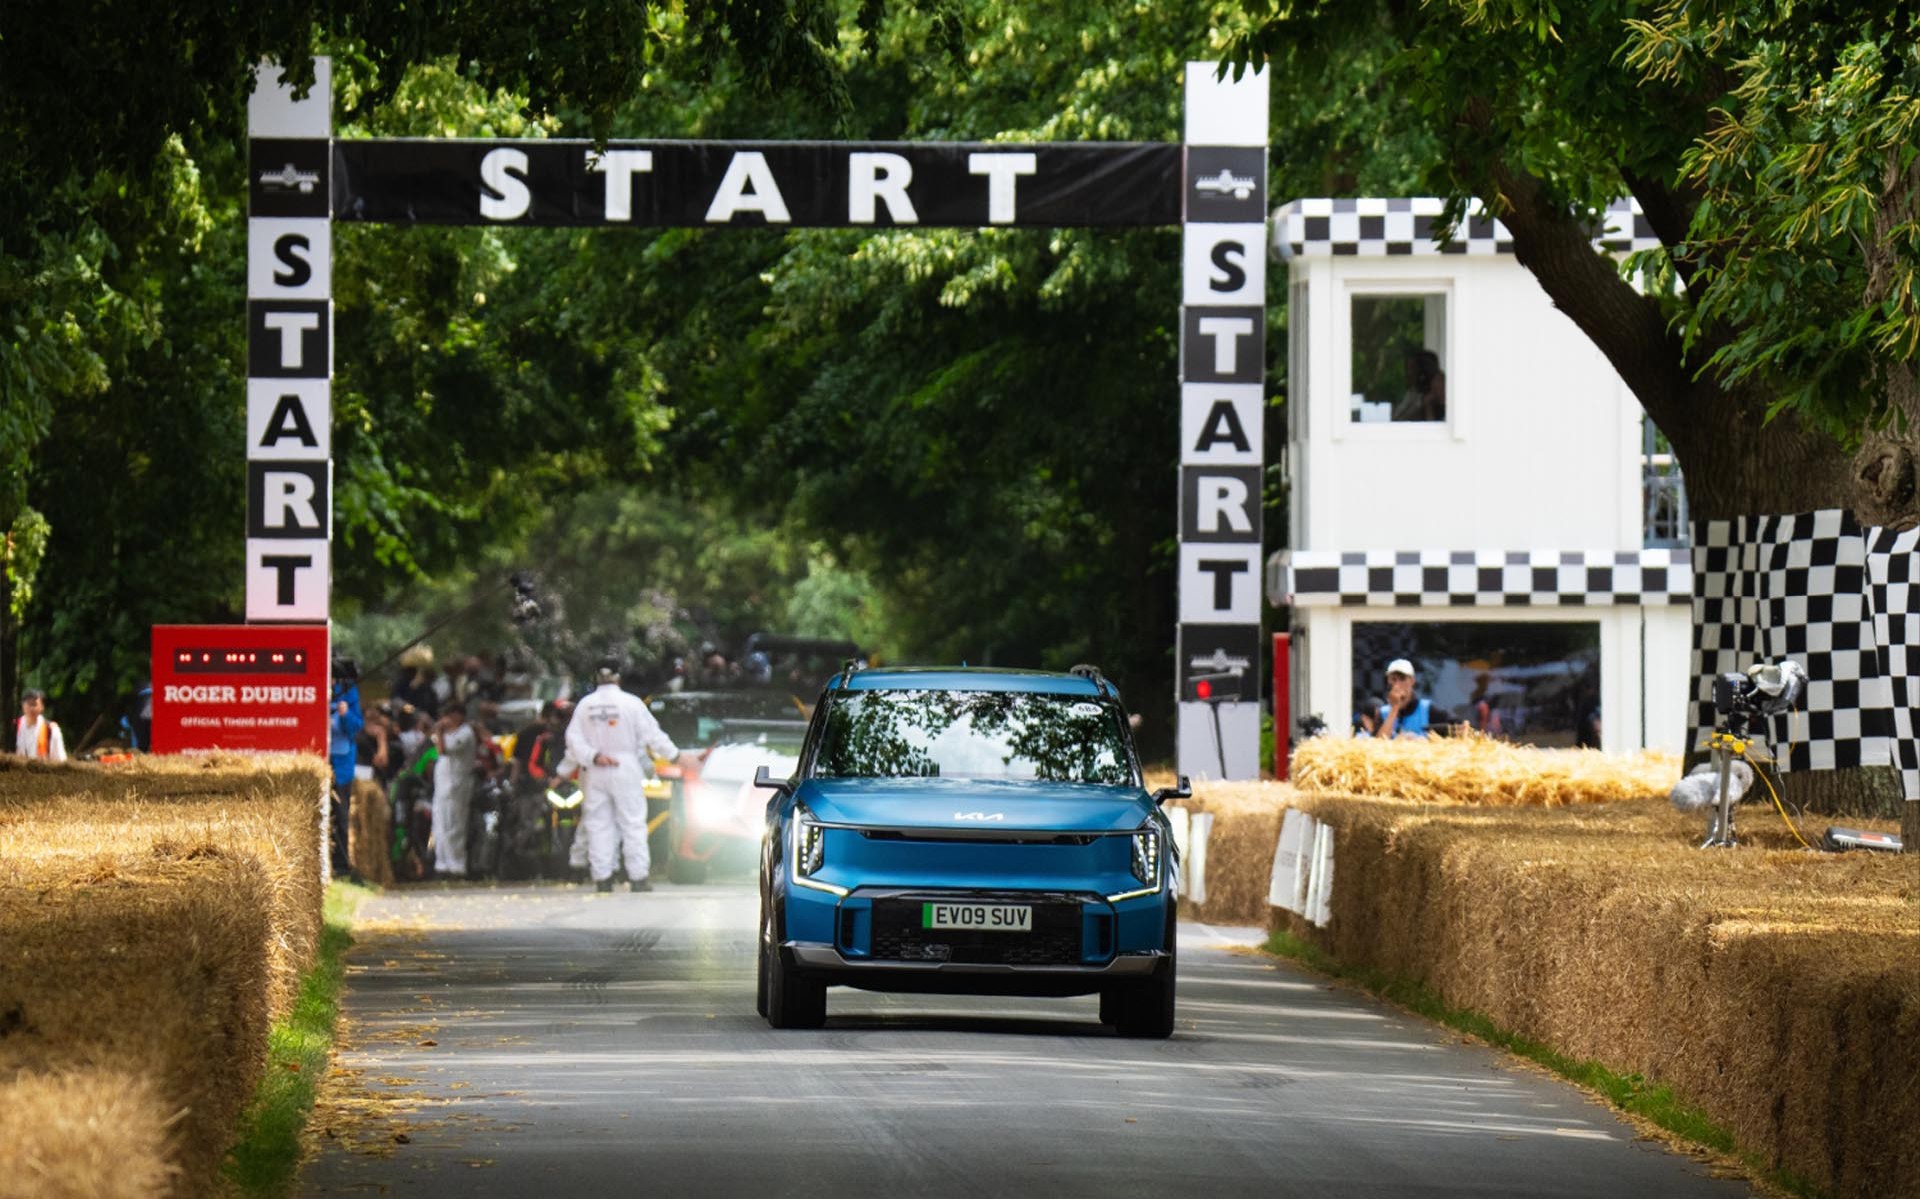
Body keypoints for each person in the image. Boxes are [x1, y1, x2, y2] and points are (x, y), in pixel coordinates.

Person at [566, 654, 702, 893]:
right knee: (632, 822)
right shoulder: (632, 704)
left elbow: (573, 740)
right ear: (618, 676)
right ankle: (638, 877)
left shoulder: (585, 705)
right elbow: (653, 736)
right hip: (625, 765)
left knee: (598, 823)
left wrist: (594, 756)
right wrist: (677, 758)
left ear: (597, 676)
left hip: (596, 769)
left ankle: (603, 878)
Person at [431, 701, 478, 878]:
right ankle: (442, 865)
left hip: (457, 786)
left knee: (455, 826)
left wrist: (439, 731)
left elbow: (443, 750)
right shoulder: (448, 733)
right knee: (440, 825)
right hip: (442, 787)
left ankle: (457, 866)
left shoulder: (465, 733)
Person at [328, 664, 364, 874]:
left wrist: (345, 715)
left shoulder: (349, 692)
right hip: (319, 757)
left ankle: (341, 863)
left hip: (341, 764)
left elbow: (356, 725)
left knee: (340, 813)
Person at [1372, 659, 1435, 740]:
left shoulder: (1428, 709)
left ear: (1412, 681)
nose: (1397, 685)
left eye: (1402, 679)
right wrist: (1394, 709)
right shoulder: (1382, 713)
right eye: (1393, 679)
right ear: (1388, 681)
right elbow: (1377, 745)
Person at [13, 688, 67, 761]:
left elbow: (60, 760)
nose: (31, 708)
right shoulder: (13, 727)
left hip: (42, 771)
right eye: (29, 704)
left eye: (34, 704)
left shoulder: (51, 730)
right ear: (23, 706)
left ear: (42, 707)